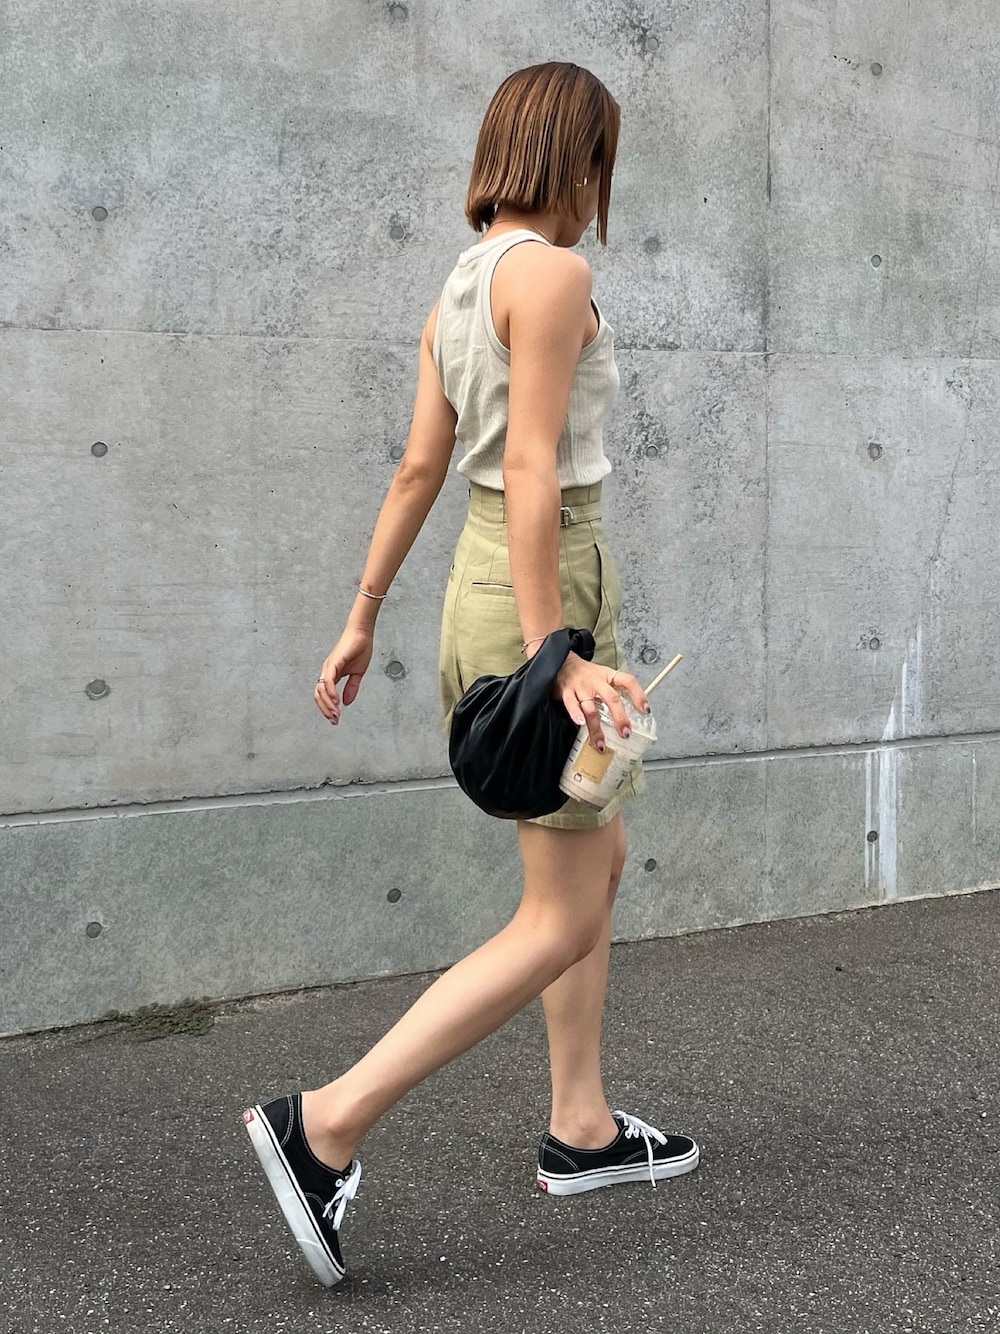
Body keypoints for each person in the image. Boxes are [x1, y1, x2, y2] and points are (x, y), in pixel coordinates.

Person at [241, 60, 699, 1289]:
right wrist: (558, 653)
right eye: (601, 161)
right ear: (576, 158)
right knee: (558, 912)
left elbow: (418, 466)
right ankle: (324, 1123)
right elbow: (534, 466)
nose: (603, 187)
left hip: (484, 584)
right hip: (542, 590)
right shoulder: (551, 274)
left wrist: (361, 615)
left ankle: (582, 1126)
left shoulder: (459, 283)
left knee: (594, 853)